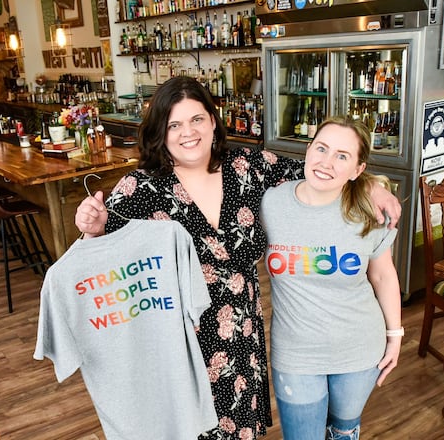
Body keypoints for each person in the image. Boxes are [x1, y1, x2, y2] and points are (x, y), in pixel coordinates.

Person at [74, 76, 401, 439]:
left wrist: (373, 184)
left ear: (213, 121)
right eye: (175, 124)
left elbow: (319, 172)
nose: (188, 132)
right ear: (161, 132)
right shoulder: (142, 187)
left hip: (241, 337)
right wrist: (93, 227)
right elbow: (98, 257)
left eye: (197, 119)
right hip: (180, 341)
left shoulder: (247, 166)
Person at [260, 115, 401, 440]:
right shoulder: (271, 203)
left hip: (358, 350)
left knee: (343, 431)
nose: (327, 162)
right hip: (296, 352)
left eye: (342, 156)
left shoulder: (370, 210)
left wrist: (395, 336)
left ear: (357, 170)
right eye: (321, 148)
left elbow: (383, 276)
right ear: (308, 150)